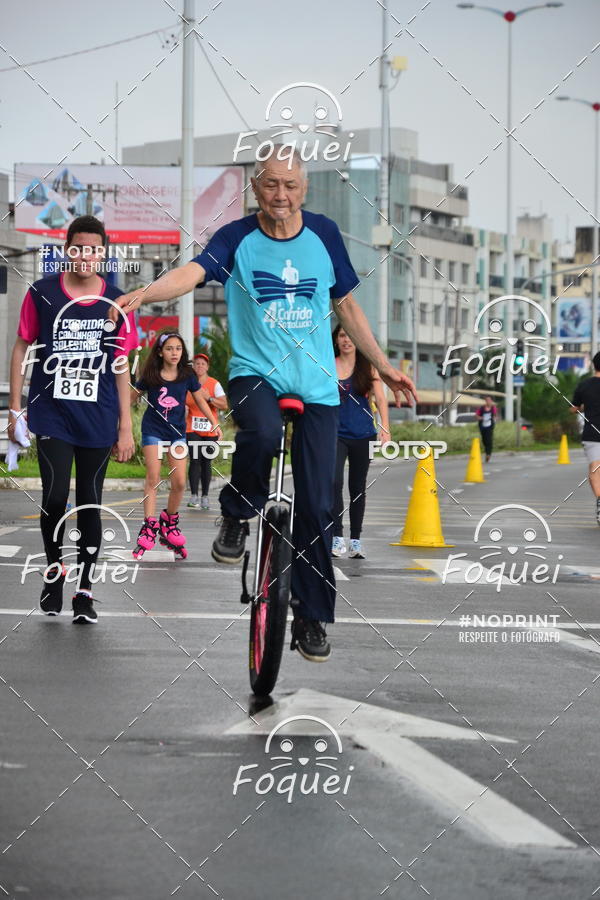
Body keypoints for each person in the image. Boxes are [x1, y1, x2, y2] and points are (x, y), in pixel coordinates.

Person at [112, 146, 417, 662]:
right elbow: (192, 272)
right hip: (256, 375)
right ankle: (237, 513)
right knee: (264, 432)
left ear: (304, 189)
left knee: (319, 506)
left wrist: (383, 365)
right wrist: (148, 292)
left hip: (317, 386)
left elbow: (347, 305)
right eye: (271, 184)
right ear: (255, 188)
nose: (281, 195)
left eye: (290, 185)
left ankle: (313, 617)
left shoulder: (324, 234)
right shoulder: (237, 238)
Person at [8, 215, 136, 623]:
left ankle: (84, 590)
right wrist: (15, 407)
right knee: (54, 497)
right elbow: (21, 347)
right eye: (78, 247)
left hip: (98, 417)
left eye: (93, 249)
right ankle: (54, 572)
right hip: (53, 414)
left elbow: (121, 364)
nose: (85, 255)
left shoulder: (116, 301)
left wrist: (126, 425)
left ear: (103, 254)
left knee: (89, 504)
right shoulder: (43, 293)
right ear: (68, 250)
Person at [132, 332, 220, 558]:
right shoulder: (151, 374)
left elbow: (199, 399)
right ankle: (149, 525)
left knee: (180, 482)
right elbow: (132, 395)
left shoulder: (187, 375)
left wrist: (214, 423)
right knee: (153, 477)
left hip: (177, 433)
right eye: (169, 348)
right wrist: (119, 417)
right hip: (153, 430)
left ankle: (168, 522)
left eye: (178, 349)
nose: (174, 353)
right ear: (161, 352)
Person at [331, 324, 389, 560]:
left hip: (364, 434)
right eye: (342, 335)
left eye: (350, 336)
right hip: (336, 434)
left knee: (357, 488)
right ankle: (336, 536)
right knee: (334, 482)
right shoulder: (328, 364)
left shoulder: (368, 367)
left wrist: (385, 428)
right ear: (336, 340)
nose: (346, 340)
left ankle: (355, 541)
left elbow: (381, 399)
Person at [186, 352, 228, 509]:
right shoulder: (188, 383)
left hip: (210, 429)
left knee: (206, 461)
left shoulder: (214, 384)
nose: (200, 366)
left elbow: (224, 405)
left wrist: (209, 398)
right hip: (192, 428)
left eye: (203, 364)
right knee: (195, 460)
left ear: (207, 367)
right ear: (193, 366)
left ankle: (205, 496)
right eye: (197, 363)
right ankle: (194, 496)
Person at [571, 352, 600, 525]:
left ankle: (599, 499)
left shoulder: (584, 385)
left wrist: (582, 407)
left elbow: (573, 408)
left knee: (595, 469)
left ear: (593, 365)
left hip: (592, 434)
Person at [475, 395, 497, 462]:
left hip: (490, 427)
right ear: (485, 401)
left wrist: (494, 419)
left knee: (489, 440)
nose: (488, 401)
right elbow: (476, 416)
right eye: (487, 400)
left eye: (489, 400)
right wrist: (481, 418)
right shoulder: (482, 408)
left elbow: (495, 416)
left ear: (491, 401)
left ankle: (488, 454)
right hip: (482, 427)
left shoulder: (493, 408)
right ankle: (487, 452)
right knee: (484, 440)